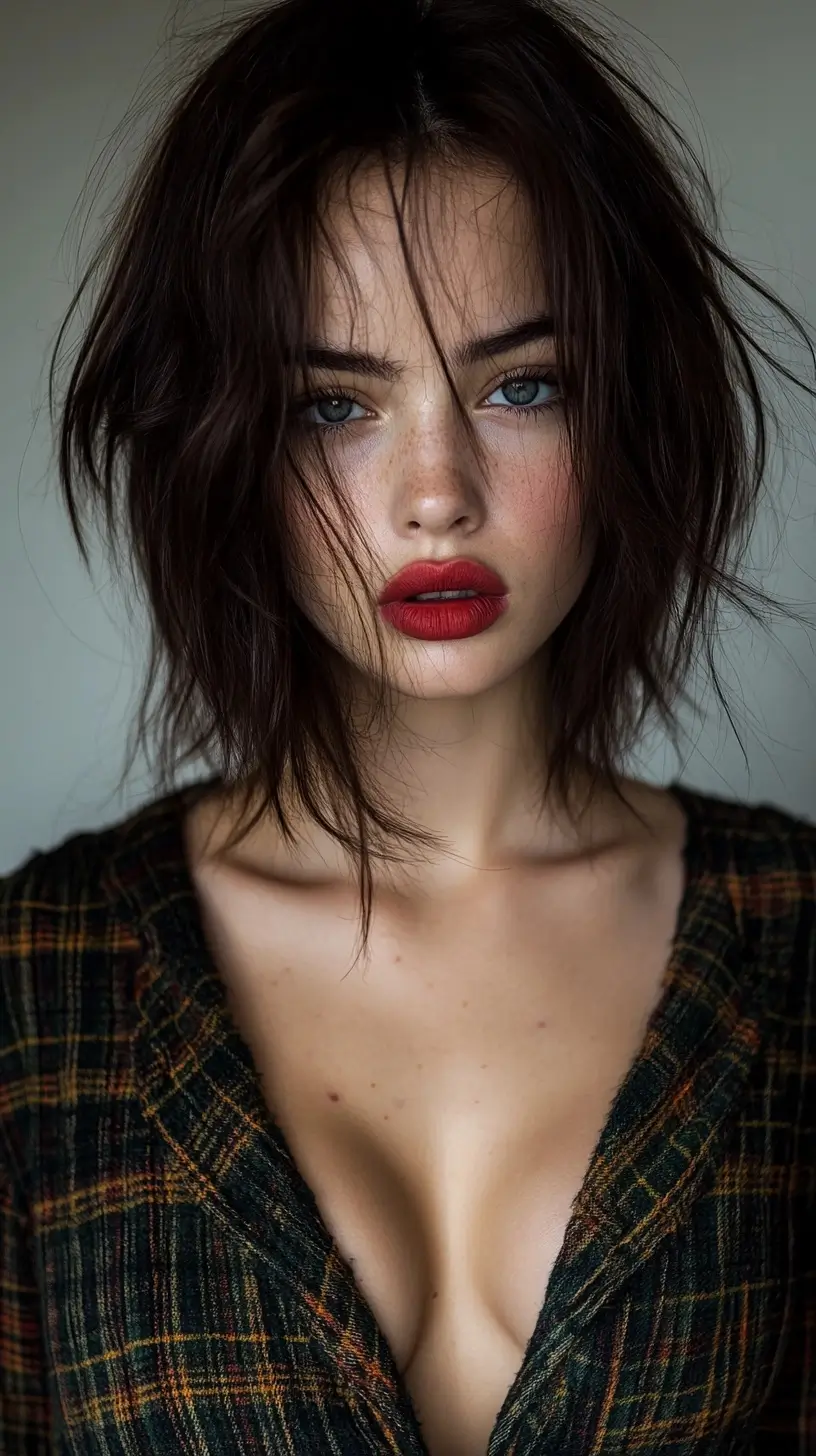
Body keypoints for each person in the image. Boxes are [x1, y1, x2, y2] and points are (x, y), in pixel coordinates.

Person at [1, 0, 814, 1451]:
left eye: (522, 386)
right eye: (334, 405)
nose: (436, 492)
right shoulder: (29, 991)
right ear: (222, 442)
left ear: (628, 407)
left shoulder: (800, 946)